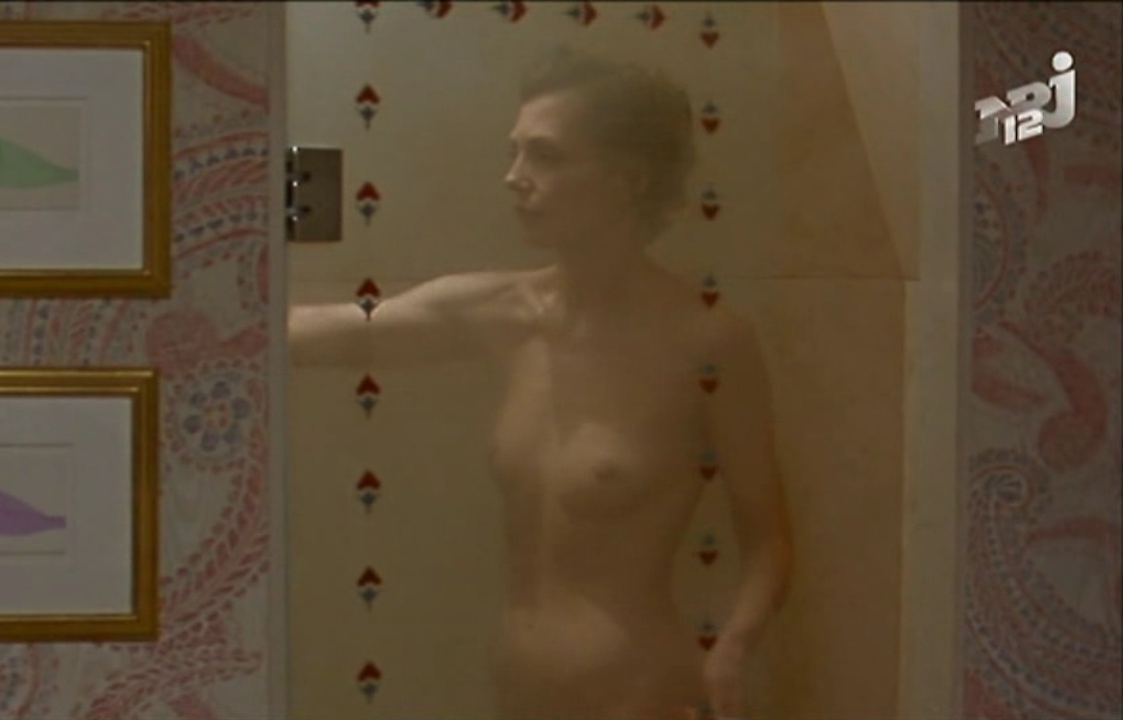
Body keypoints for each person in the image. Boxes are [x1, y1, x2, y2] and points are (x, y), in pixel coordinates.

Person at [290, 49, 793, 720]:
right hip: (519, 688)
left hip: (638, 694)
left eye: (546, 156)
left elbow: (768, 538)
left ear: (628, 178)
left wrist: (732, 650)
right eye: (515, 152)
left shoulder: (706, 340)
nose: (514, 177)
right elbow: (331, 332)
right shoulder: (503, 314)